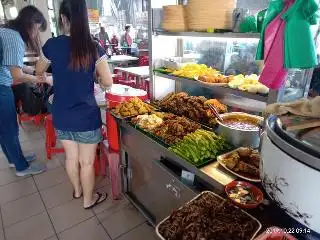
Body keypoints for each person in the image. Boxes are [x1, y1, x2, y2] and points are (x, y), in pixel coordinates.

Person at [36, 0, 113, 209]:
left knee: (71, 158)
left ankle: (78, 191)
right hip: (86, 115)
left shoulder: (51, 44)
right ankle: (89, 200)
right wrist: (95, 80)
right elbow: (108, 82)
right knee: (86, 162)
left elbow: (39, 70)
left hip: (61, 113)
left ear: (62, 18)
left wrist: (52, 77)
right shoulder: (93, 46)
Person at [0, 6, 48, 176]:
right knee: (9, 128)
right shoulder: (14, 38)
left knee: (4, 129)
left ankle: (15, 159)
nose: (36, 34)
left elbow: (16, 66)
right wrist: (41, 79)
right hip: (1, 87)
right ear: (30, 24)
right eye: (37, 29)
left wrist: (36, 73)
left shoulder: (6, 31)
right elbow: (18, 75)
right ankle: (22, 167)